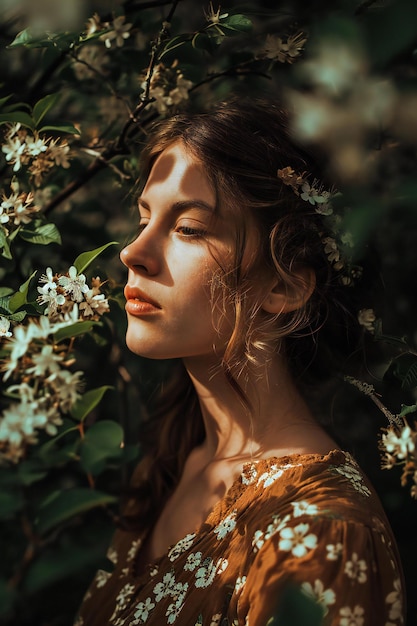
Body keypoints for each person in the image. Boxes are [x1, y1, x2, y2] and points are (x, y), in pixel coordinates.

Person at [75, 98, 405, 626]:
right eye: (144, 217)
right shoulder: (171, 460)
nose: (133, 251)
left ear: (284, 284)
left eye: (188, 228)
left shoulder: (318, 528)